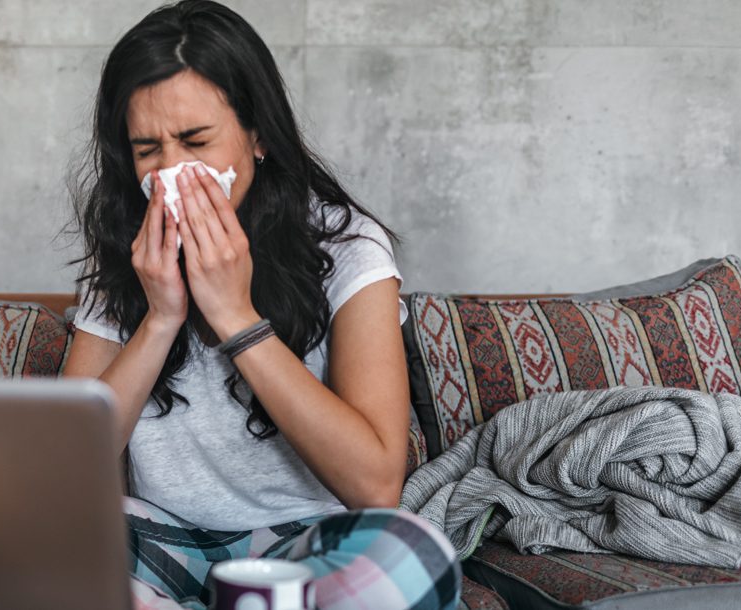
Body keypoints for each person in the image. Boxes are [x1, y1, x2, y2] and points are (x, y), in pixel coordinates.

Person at [63, 2, 461, 608]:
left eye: (196, 141)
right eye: (148, 150)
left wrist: (237, 319)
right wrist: (161, 316)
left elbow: (376, 484)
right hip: (165, 538)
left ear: (259, 137)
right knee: (35, 541)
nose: (173, 171)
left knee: (408, 559)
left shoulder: (347, 247)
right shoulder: (129, 252)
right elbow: (65, 467)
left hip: (308, 545)